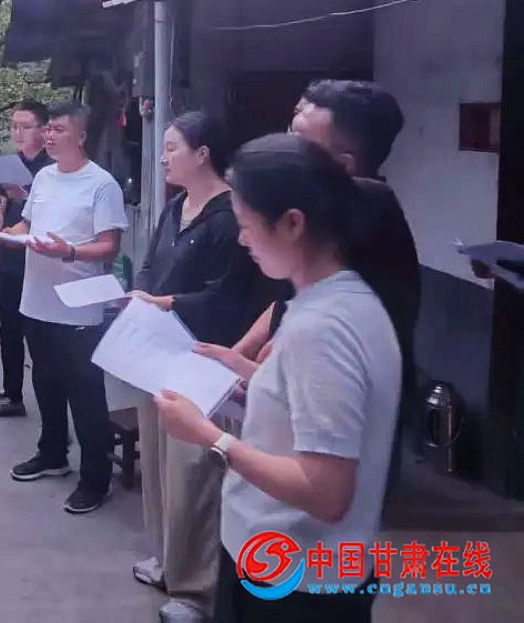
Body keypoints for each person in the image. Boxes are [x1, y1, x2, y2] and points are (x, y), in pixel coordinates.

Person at [156, 134, 401, 623]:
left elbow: (325, 492)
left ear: (292, 223)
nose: (242, 240)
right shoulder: (343, 300)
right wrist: (251, 380)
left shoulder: (322, 328)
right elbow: (316, 414)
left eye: (246, 225)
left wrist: (208, 436)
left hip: (293, 578)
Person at [229, 80, 419, 487]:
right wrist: (244, 349)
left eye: (300, 144)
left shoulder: (368, 218)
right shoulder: (322, 218)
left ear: (344, 167)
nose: (284, 148)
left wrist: (213, 438)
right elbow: (285, 301)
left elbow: (323, 489)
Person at [130, 113, 272, 623]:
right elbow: (150, 264)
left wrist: (166, 303)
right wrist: (143, 297)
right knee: (159, 466)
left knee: (193, 473)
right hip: (157, 350)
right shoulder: (175, 206)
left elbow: (226, 297)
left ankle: (195, 588)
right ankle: (167, 558)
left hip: (204, 353)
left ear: (203, 153)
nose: (163, 157)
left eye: (172, 147)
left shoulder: (228, 218)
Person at [0, 102, 128, 514]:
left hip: (79, 306)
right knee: (46, 383)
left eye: (58, 130)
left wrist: (68, 251)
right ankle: (52, 454)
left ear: (82, 136)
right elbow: (29, 223)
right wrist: (13, 233)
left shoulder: (101, 184)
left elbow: (109, 246)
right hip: (37, 300)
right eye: (48, 129)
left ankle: (95, 478)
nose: (49, 136)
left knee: (85, 393)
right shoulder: (43, 178)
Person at [0, 100, 54, 419]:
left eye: (25, 126)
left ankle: (51, 410)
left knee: (40, 339)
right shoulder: (11, 167)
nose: (18, 132)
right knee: (8, 331)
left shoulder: (53, 170)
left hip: (40, 263)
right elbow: (2, 211)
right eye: (14, 126)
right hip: (10, 260)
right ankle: (12, 395)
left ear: (44, 130)